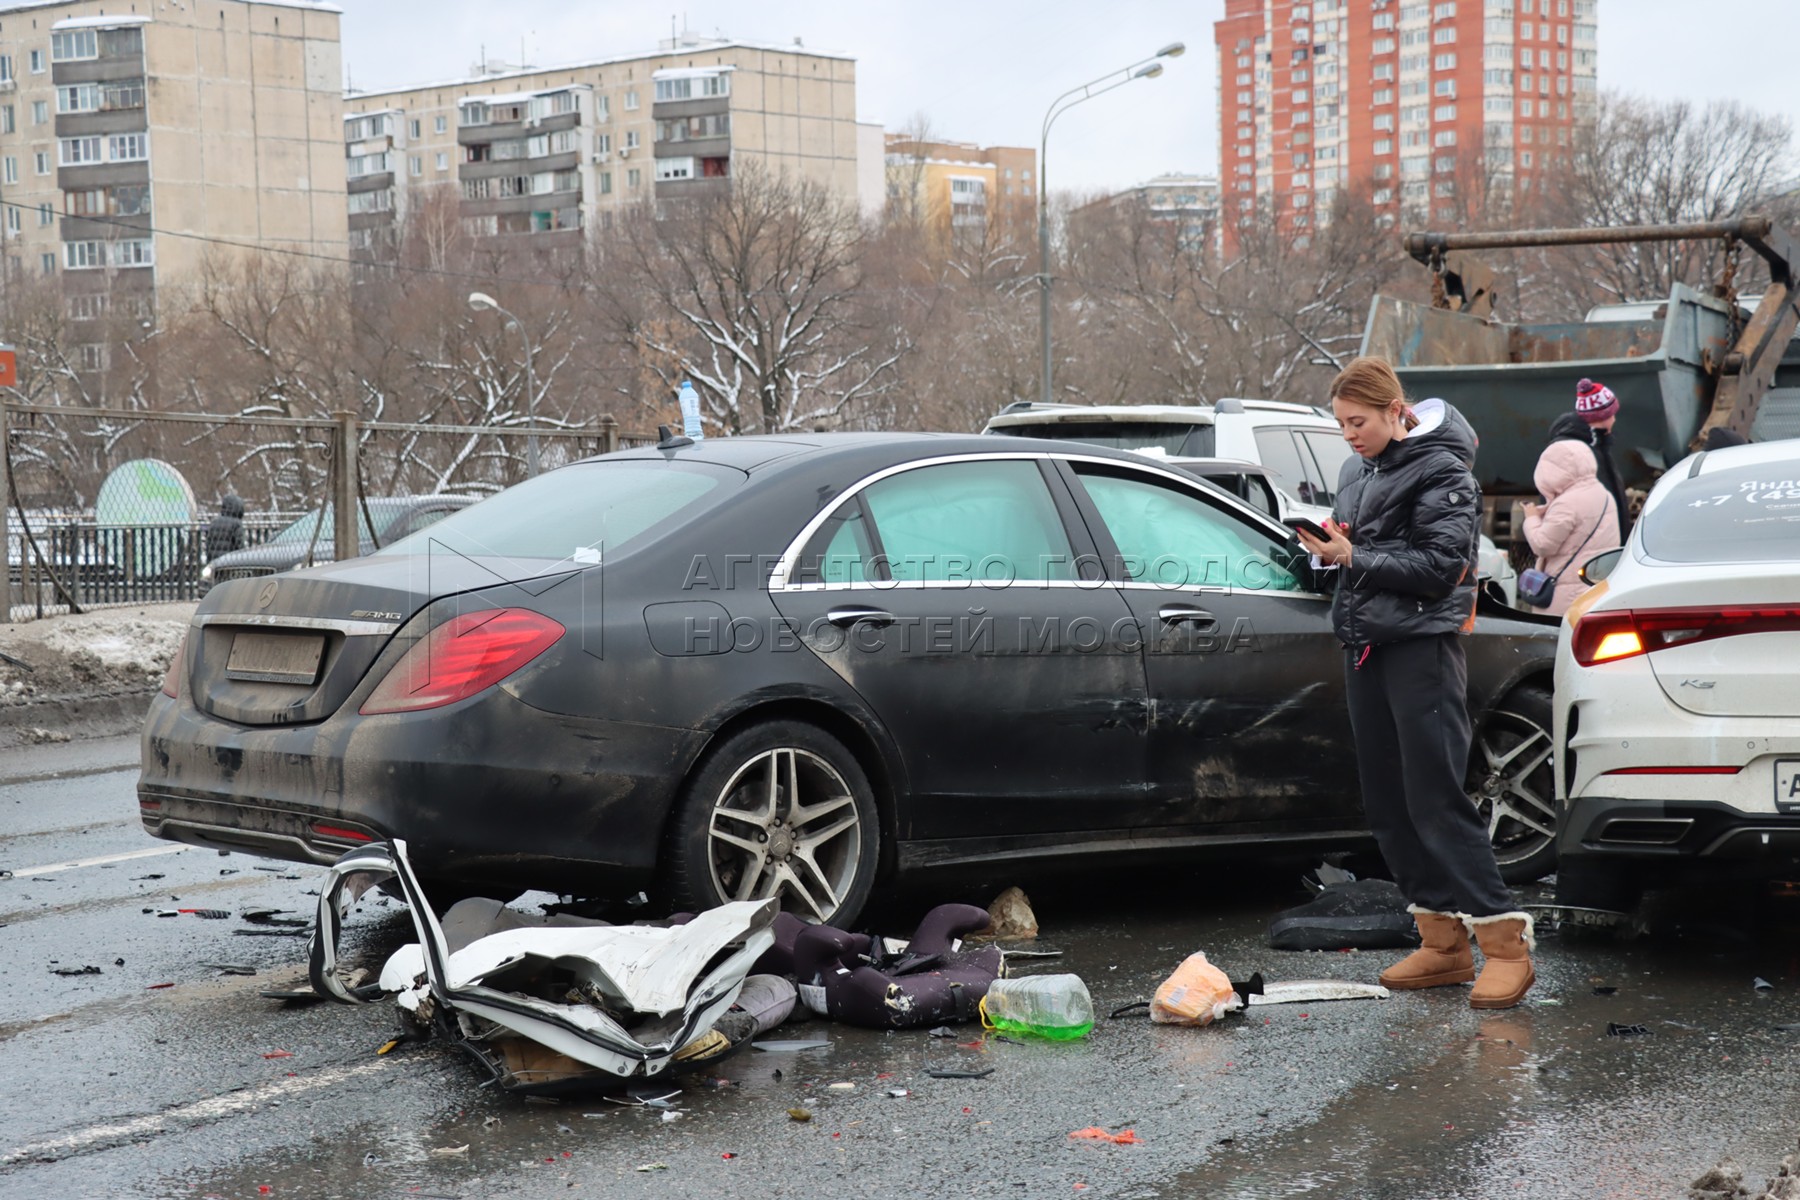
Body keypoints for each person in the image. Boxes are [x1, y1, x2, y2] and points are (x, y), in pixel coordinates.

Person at [1294, 356, 1534, 1011]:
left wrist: (1355, 556)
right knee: (1386, 803)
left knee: (1436, 799)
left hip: (1422, 649)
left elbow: (1441, 565)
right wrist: (1324, 554)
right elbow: (1353, 557)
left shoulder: (1444, 471)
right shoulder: (1355, 470)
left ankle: (1505, 945)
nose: (1349, 434)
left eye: (1359, 421)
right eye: (1341, 423)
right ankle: (1442, 940)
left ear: (1395, 411)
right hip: (1365, 645)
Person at [1520, 441, 1621, 616]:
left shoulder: (1566, 504)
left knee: (1558, 641)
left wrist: (1531, 518)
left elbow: (1543, 545)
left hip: (1566, 596)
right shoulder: (1603, 494)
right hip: (1595, 588)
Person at [1548, 378, 1628, 541]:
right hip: (1587, 549)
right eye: (1612, 414)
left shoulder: (1598, 446)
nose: (1614, 419)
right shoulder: (1573, 453)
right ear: (1602, 417)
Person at [204, 494, 246, 560]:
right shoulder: (237, 524)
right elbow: (239, 545)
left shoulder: (214, 522)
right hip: (230, 561)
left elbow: (208, 542)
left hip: (214, 560)